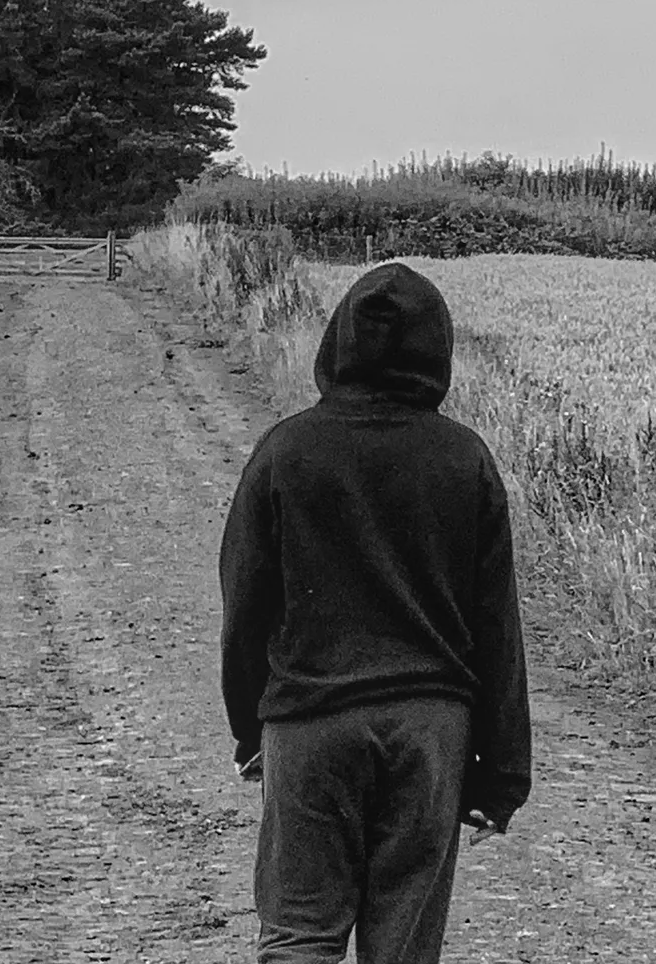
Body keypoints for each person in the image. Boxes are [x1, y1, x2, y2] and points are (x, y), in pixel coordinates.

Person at [219, 261, 532, 963]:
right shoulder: (466, 460)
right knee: (403, 951)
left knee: (299, 936)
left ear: (339, 341)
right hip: (429, 732)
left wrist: (251, 729)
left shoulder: (286, 451)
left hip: (310, 724)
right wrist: (503, 775)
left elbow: (244, 606)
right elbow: (497, 627)